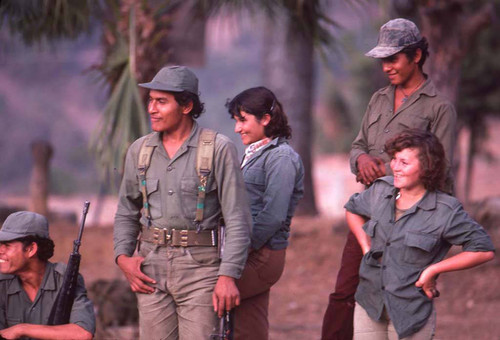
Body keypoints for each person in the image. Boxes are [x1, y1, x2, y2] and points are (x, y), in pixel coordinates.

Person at [321, 18, 457, 340]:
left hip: (409, 220)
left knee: (399, 294)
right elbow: (357, 146)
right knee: (344, 291)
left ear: (417, 57)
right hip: (368, 214)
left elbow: (442, 169)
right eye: (383, 60)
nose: (386, 67)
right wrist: (363, 160)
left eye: (393, 59)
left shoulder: (439, 108)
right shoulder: (379, 99)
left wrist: (387, 169)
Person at [114, 65, 252, 339]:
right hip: (150, 267)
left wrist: (228, 276)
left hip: (201, 271)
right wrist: (122, 258)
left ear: (187, 105)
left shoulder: (218, 149)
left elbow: (238, 219)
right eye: (150, 100)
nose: (151, 108)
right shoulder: (139, 151)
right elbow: (126, 211)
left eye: (161, 102)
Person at [345, 129, 495, 339]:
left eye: (404, 163)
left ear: (426, 167)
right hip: (369, 304)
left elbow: (483, 249)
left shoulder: (446, 210)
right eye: (394, 159)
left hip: (412, 313)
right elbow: (352, 209)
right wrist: (365, 246)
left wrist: (432, 270)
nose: (395, 167)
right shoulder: (381, 190)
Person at [226, 86, 304, 340]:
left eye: (243, 120)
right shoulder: (252, 154)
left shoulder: (281, 158)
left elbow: (273, 215)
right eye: (236, 121)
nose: (237, 128)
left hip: (262, 255)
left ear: (266, 119)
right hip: (250, 252)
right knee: (250, 324)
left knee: (211, 294)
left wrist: (237, 251)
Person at [0, 211, 95, 340]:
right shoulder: (2, 284)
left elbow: (82, 333)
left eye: (7, 245)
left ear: (31, 249)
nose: (0, 250)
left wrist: (21, 329)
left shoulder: (66, 280)